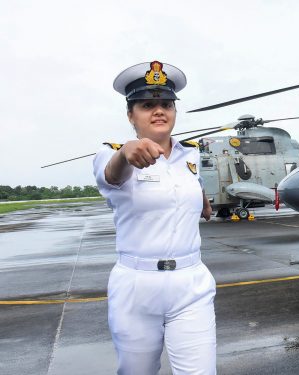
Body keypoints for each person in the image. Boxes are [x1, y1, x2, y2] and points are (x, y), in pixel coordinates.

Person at [93, 61, 216, 375]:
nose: (159, 111)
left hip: (192, 285)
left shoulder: (190, 155)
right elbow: (111, 175)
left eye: (166, 104)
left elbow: (187, 184)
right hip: (137, 289)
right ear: (131, 115)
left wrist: (200, 197)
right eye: (147, 105)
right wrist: (127, 153)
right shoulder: (112, 154)